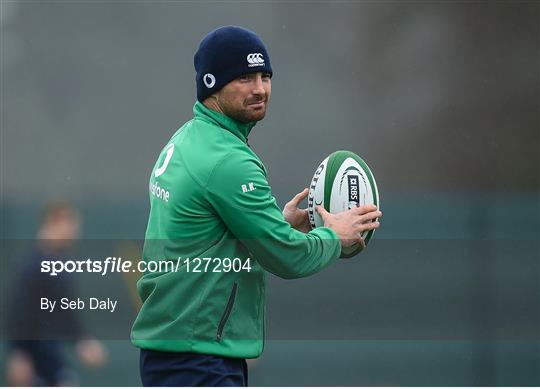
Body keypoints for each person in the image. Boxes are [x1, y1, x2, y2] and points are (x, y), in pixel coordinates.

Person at [131, 25, 382, 387]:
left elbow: (205, 234)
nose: (260, 88)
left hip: (173, 350)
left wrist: (275, 222)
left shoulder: (187, 139)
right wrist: (334, 235)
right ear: (212, 84)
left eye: (265, 76)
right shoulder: (228, 160)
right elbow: (285, 256)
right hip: (199, 357)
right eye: (245, 77)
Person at [5, 200, 107, 386]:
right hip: (36, 360)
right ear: (53, 223)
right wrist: (20, 354)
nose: (75, 232)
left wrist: (81, 340)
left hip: (51, 356)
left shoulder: (61, 264)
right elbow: (19, 312)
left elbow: (64, 312)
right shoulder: (33, 266)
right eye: (70, 225)